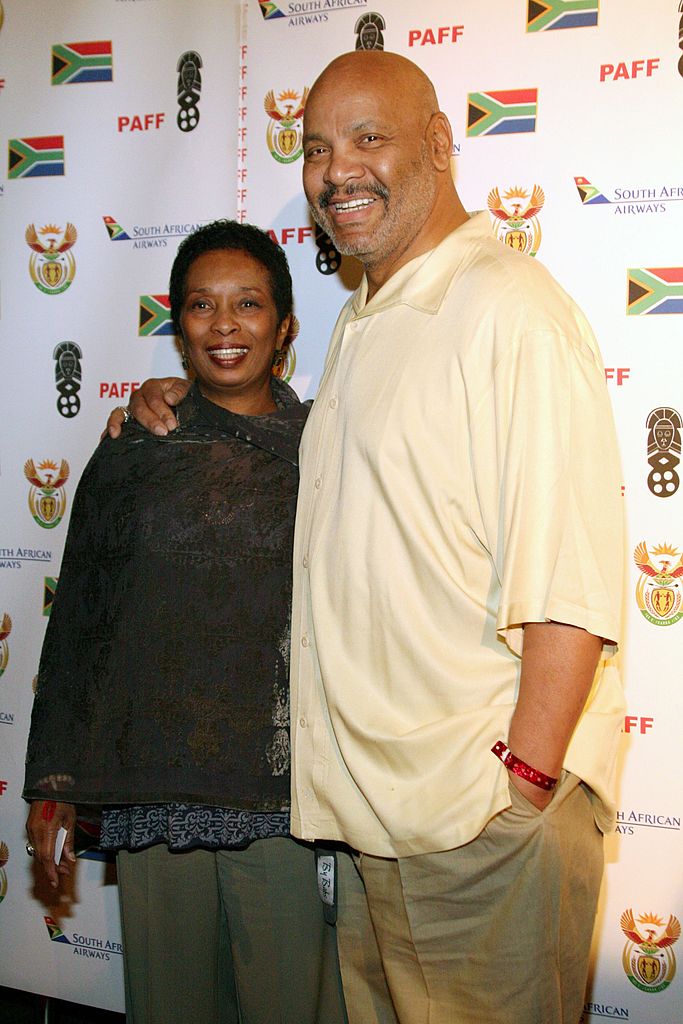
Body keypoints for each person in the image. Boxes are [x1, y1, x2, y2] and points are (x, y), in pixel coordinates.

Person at [107, 52, 625, 1024]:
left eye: (366, 137)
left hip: (470, 827)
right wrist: (189, 403)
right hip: (376, 827)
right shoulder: (362, 318)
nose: (334, 168)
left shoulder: (507, 307)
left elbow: (570, 581)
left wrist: (515, 791)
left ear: (436, 143)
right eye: (313, 149)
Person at [24, 220, 347, 1024]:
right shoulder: (134, 445)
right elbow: (84, 622)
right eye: (202, 306)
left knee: (289, 1006)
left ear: (285, 326)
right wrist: (53, 781)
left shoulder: (331, 447)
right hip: (151, 786)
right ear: (177, 326)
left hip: (281, 794)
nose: (225, 325)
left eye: (248, 305)